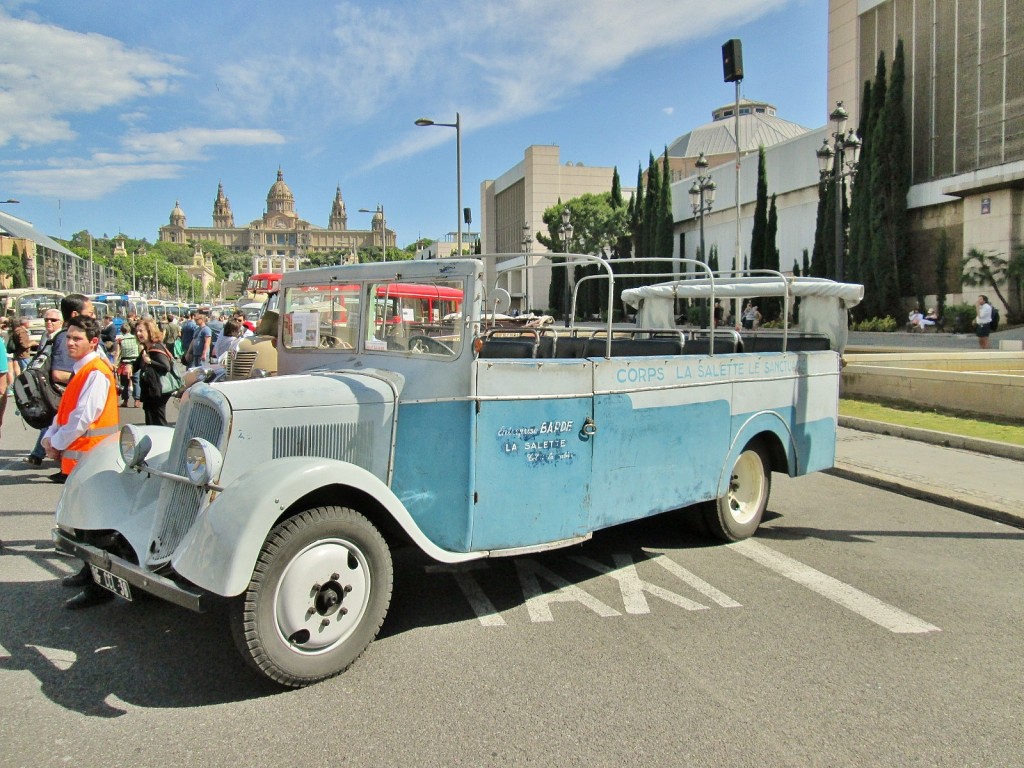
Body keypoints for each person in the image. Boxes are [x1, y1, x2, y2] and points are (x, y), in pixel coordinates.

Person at [44, 315, 120, 609]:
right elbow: (65, 412)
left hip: (93, 458)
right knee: (82, 523)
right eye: (68, 337)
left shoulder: (95, 372)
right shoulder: (83, 370)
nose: (70, 343)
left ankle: (99, 588)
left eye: (77, 338)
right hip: (82, 458)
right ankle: (89, 573)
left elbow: (83, 417)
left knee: (94, 528)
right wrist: (51, 438)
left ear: (93, 342)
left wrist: (56, 442)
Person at [24, 296, 93, 467]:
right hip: (61, 395)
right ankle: (44, 454)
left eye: (53, 320)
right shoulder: (65, 338)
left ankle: (40, 453)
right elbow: (58, 373)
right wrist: (83, 379)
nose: (93, 317)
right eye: (90, 313)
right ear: (75, 314)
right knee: (59, 425)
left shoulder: (62, 336)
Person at [133, 318, 174, 426]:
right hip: (150, 391)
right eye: (137, 331)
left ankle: (164, 437)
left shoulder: (156, 347)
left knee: (158, 421)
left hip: (158, 391)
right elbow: (136, 365)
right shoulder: (146, 348)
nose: (138, 333)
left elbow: (166, 367)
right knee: (151, 420)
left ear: (149, 331)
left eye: (141, 331)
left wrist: (150, 361)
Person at [116, 323, 141, 407]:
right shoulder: (135, 339)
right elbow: (140, 349)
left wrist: (116, 363)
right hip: (135, 362)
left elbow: (118, 353)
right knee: (136, 381)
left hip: (125, 363)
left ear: (121, 331)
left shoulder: (121, 340)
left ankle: (125, 400)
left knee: (124, 383)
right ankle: (137, 400)